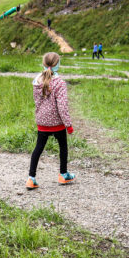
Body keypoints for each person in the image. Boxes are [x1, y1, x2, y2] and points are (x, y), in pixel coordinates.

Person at [27, 52, 76, 189]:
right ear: (58, 64)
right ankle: (63, 174)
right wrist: (68, 124)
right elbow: (62, 106)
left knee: (38, 148)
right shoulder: (60, 83)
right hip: (57, 123)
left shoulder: (37, 81)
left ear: (43, 64)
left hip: (42, 121)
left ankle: (31, 178)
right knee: (63, 147)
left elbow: (37, 102)